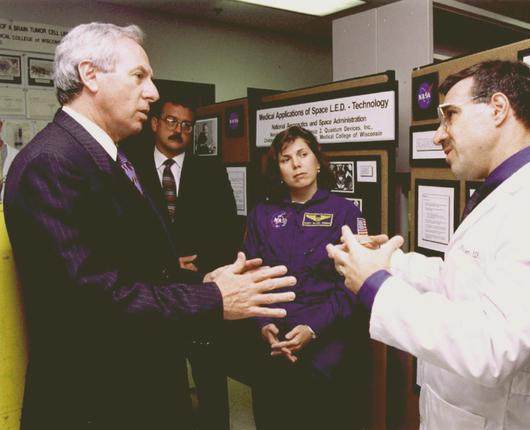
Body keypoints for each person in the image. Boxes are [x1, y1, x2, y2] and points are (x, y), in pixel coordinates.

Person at [2, 22, 296, 430]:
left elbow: (133, 268)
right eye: (139, 75)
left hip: (135, 393)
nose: (153, 92)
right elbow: (92, 302)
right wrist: (213, 300)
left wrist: (205, 280)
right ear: (90, 75)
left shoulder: (102, 157)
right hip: (95, 404)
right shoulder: (53, 163)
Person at [327, 60, 530, 429]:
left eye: (450, 115)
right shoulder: (508, 194)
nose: (438, 135)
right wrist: (390, 263)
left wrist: (376, 286)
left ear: (498, 108)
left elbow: (493, 348)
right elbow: (466, 280)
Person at [128, 94, 242, 429]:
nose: (179, 130)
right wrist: (167, 261)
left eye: (187, 125)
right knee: (162, 380)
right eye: (171, 121)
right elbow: (124, 230)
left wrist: (202, 265)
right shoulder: (129, 168)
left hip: (201, 288)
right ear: (155, 124)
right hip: (153, 291)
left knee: (210, 380)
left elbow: (227, 227)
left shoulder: (210, 170)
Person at [245, 126, 368, 430]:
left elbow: (354, 284)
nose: (296, 164)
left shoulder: (347, 214)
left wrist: (313, 328)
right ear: (278, 169)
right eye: (286, 159)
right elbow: (250, 275)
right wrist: (263, 326)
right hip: (274, 345)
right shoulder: (262, 214)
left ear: (317, 161)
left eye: (303, 155)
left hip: (327, 346)